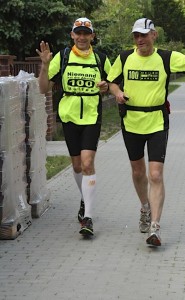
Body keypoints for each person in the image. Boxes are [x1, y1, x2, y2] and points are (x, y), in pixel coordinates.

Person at [107, 18, 185, 247]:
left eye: (144, 35)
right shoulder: (125, 58)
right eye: (136, 35)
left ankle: (155, 226)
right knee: (138, 172)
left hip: (157, 121)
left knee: (155, 174)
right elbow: (111, 82)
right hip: (131, 122)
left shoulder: (167, 57)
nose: (140, 39)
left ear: (154, 35)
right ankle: (145, 207)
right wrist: (117, 92)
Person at [36, 17, 111, 237]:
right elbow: (43, 89)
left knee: (88, 164)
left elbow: (113, 82)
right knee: (77, 166)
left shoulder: (101, 59)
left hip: (91, 116)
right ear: (72, 35)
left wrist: (107, 86)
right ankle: (84, 197)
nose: (82, 37)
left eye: (86, 33)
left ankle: (87, 217)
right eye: (78, 33)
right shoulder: (63, 57)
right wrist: (45, 65)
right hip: (69, 117)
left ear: (92, 36)